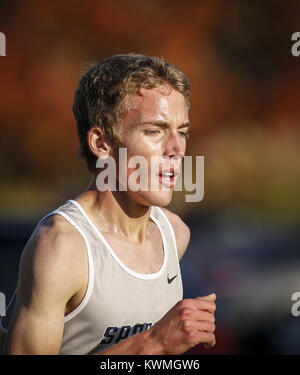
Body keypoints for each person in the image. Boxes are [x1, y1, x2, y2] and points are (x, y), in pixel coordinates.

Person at [0, 53, 216, 355]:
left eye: (182, 132)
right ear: (101, 144)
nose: (177, 149)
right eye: (155, 131)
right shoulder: (61, 246)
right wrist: (151, 343)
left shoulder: (175, 235)